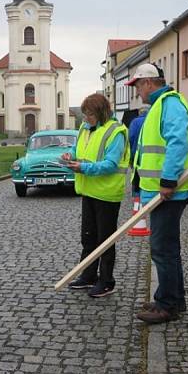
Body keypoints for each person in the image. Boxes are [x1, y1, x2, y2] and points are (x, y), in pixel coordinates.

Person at [126, 63, 188, 324]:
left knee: (163, 248)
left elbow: (177, 143)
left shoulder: (170, 103)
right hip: (161, 190)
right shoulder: (160, 105)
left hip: (170, 191)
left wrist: (168, 181)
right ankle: (173, 298)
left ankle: (168, 305)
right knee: (166, 247)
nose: (137, 92)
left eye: (138, 86)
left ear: (148, 83)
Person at [62, 94, 130, 298]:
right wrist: (70, 156)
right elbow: (78, 149)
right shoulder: (84, 128)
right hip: (88, 191)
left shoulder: (116, 132)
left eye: (90, 114)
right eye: (84, 115)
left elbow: (110, 164)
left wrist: (83, 168)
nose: (86, 119)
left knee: (105, 240)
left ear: (101, 112)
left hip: (107, 194)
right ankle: (88, 275)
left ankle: (107, 280)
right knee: (88, 237)